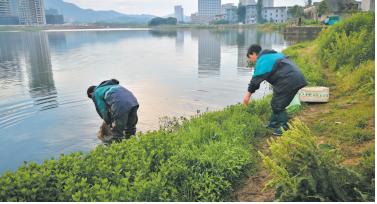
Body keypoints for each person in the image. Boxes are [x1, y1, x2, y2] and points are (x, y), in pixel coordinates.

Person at [243, 44, 307, 136]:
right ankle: (273, 124)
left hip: (288, 80)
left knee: (278, 105)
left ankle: (283, 127)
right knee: (276, 102)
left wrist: (247, 95)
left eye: (250, 57)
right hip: (295, 78)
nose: (251, 60)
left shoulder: (262, 60)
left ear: (253, 53)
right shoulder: (272, 55)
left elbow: (255, 80)